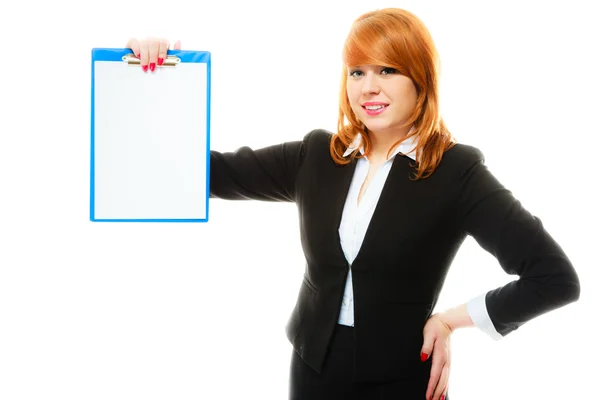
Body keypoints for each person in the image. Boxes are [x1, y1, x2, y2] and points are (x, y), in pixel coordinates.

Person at [126, 7, 580, 400]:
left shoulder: (456, 170)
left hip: (402, 380)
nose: (368, 88)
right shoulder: (317, 155)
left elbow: (553, 277)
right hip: (312, 371)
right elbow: (202, 172)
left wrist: (449, 321)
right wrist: (161, 75)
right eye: (357, 71)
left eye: (388, 70)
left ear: (420, 80)